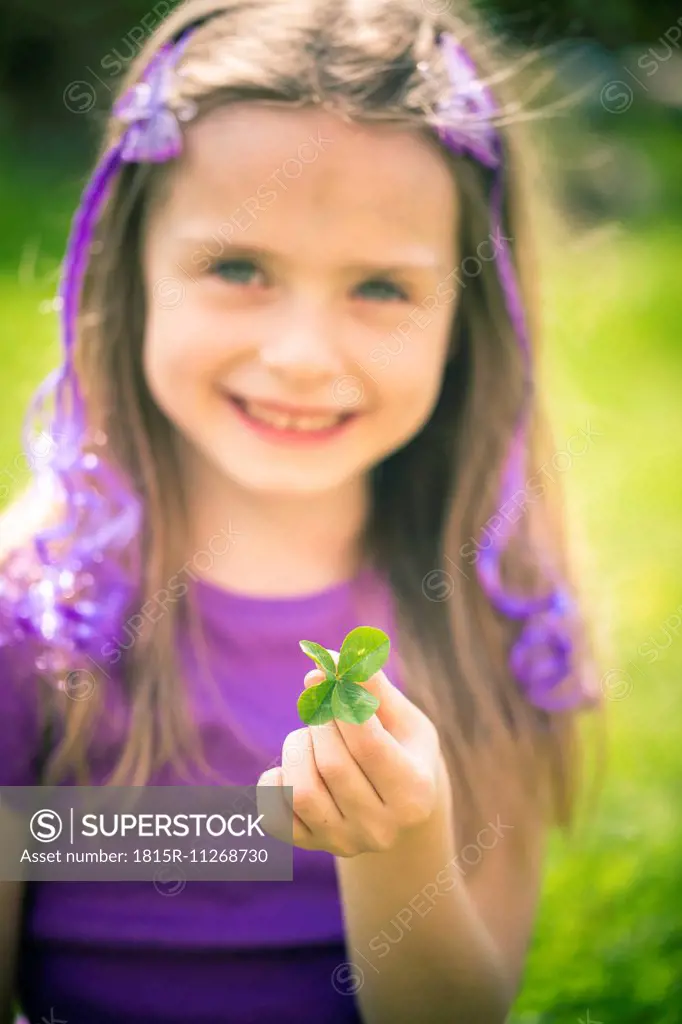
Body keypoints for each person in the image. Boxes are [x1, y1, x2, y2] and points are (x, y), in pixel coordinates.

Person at [0, 0, 601, 1021]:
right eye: (237, 267)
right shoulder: (35, 622)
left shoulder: (489, 612)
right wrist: (255, 826)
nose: (303, 355)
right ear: (130, 275)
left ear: (467, 319)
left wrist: (396, 849)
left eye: (379, 286)